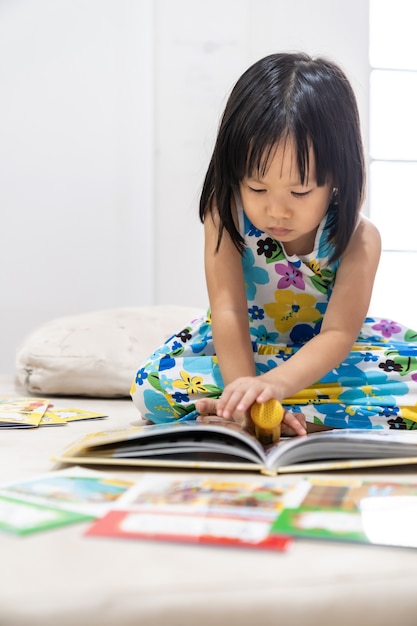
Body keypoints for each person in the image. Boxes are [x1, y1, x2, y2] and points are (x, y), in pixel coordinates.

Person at [131, 52, 417, 435]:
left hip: (322, 360)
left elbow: (337, 336)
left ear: (337, 177)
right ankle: (282, 417)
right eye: (258, 188)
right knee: (151, 388)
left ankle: (274, 414)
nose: (276, 211)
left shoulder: (359, 239)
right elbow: (228, 311)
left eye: (299, 192)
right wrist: (242, 393)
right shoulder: (226, 214)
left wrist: (273, 387)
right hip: (241, 352)